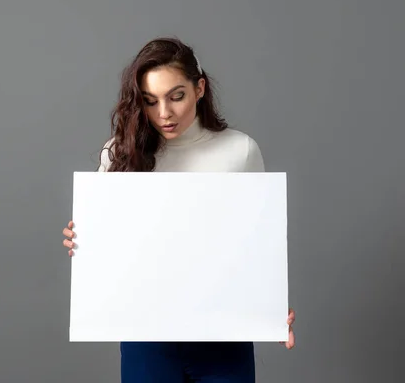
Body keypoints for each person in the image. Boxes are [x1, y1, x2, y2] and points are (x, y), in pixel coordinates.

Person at [62, 37, 295, 382]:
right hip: (147, 338)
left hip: (223, 336)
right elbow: (109, 248)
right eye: (150, 101)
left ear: (199, 88)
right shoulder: (121, 152)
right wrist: (82, 242)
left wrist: (271, 308)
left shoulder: (240, 150)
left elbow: (257, 243)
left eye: (177, 96)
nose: (164, 114)